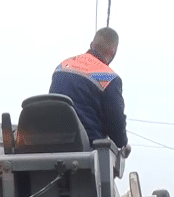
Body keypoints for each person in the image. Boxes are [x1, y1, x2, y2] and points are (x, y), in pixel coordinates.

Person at [49, 27, 130, 157]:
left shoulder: (63, 66)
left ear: (92, 45)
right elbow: (116, 129)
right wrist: (123, 143)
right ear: (113, 51)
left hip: (50, 145)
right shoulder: (108, 77)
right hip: (88, 153)